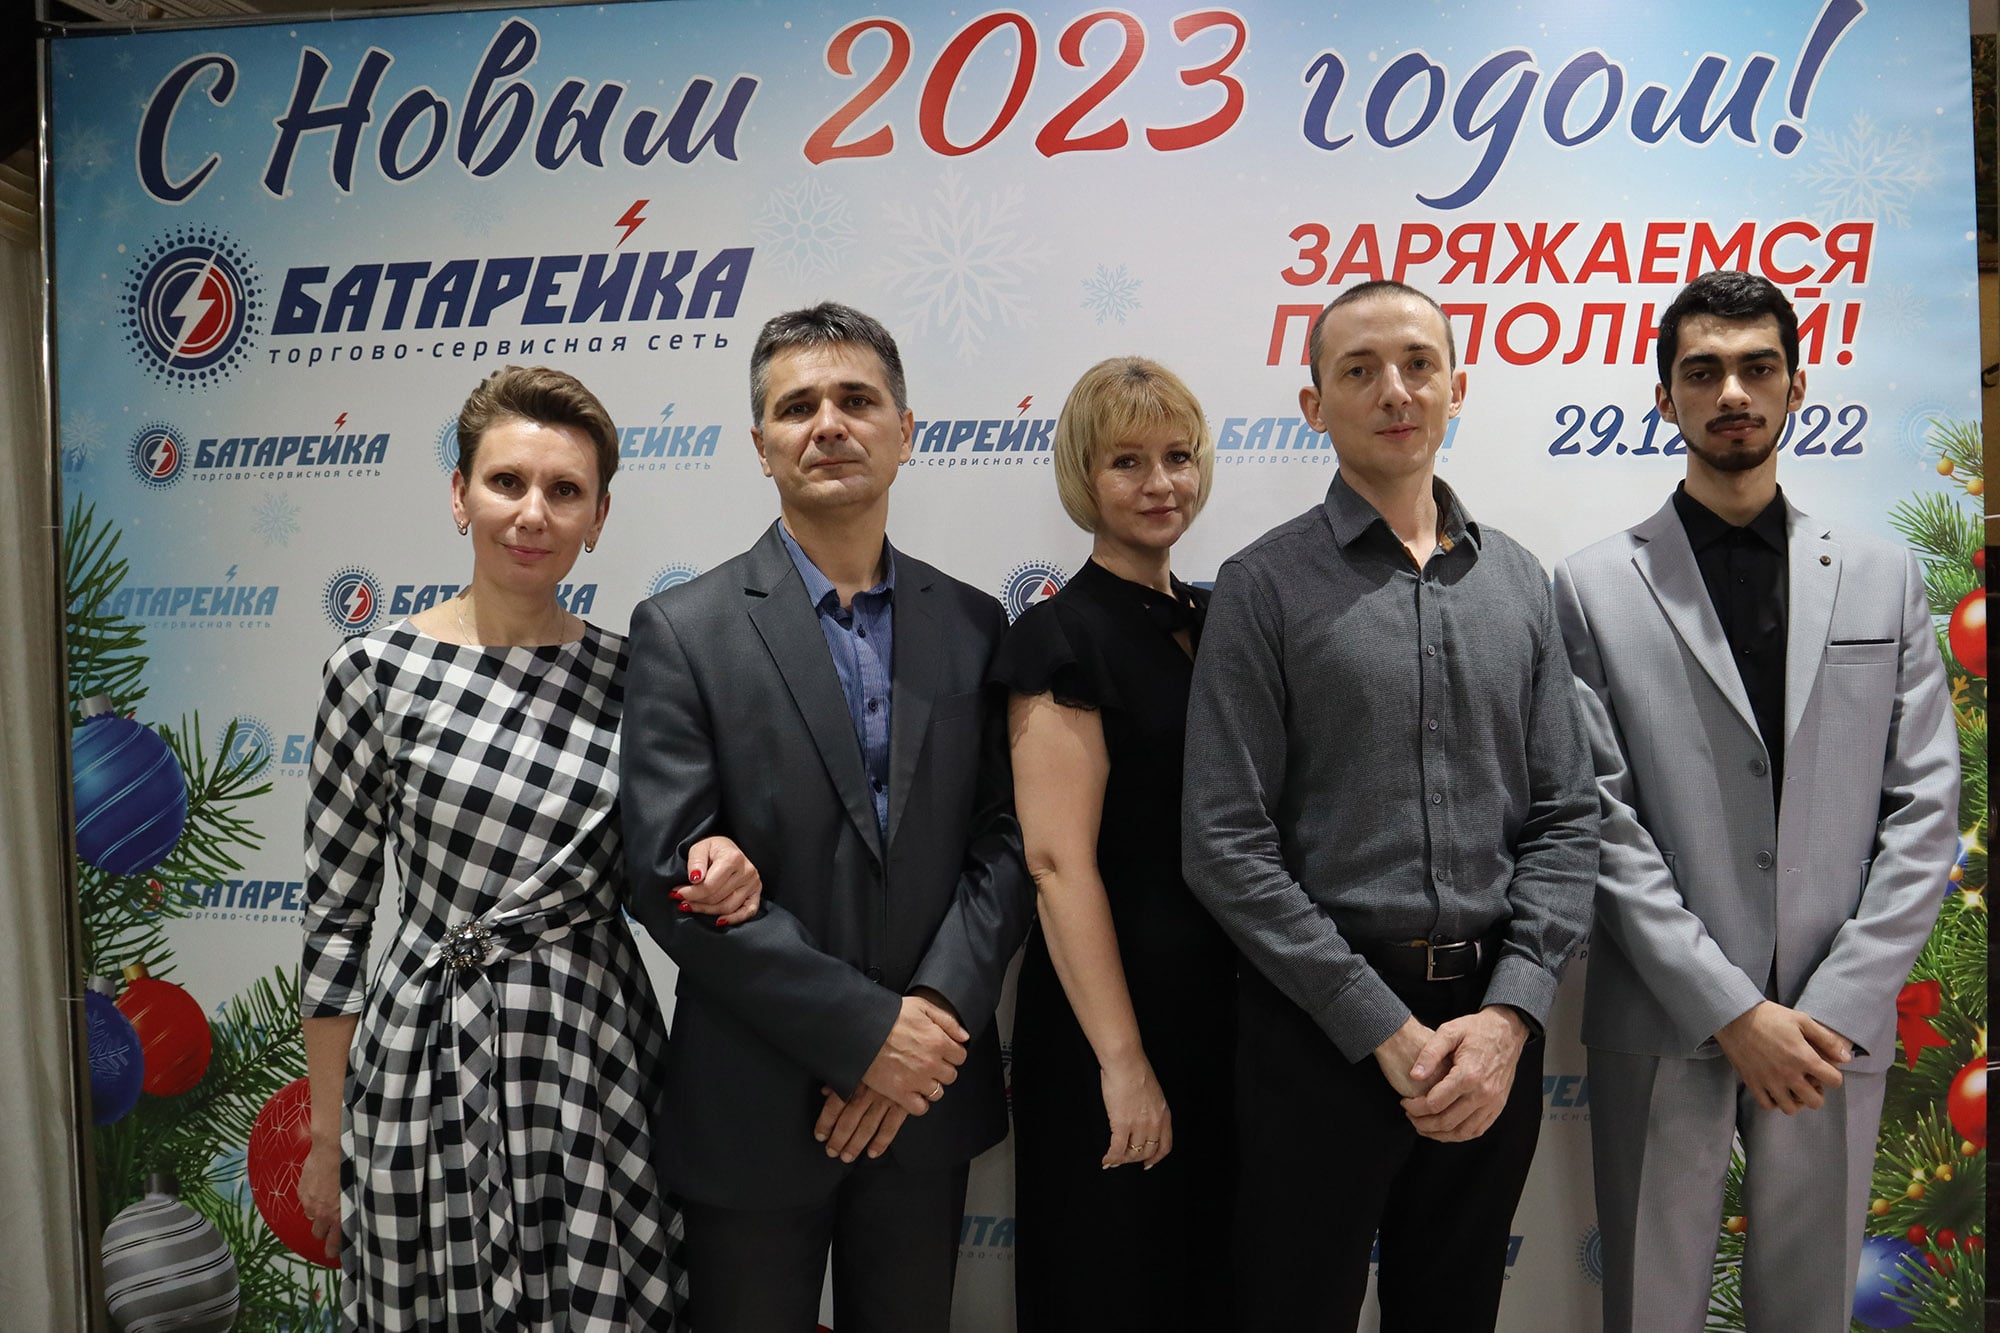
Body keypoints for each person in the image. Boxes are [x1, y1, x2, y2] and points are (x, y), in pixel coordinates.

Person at [298, 365, 759, 1332]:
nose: (532, 513)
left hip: (594, 1054)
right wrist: (328, 1133)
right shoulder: (373, 671)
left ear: (598, 517)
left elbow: (678, 853)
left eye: (565, 490)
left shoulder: (638, 673)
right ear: (458, 493)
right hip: (423, 1058)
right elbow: (336, 921)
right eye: (506, 481)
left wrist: (723, 860)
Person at [1181, 279, 1598, 1331]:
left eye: (1418, 364)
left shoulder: (1519, 582)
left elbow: (1565, 816)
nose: (1395, 390)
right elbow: (1223, 841)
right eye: (1358, 370)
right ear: (1313, 404)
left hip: (1490, 1027)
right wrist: (1378, 1025)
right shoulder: (1262, 585)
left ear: (1458, 385)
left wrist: (1507, 1017)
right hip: (1315, 1031)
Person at [1553, 269, 1960, 1333]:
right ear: (1664, 397)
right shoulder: (1591, 585)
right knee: (1649, 1310)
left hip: (1832, 1021)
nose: (1731, 391)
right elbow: (1598, 816)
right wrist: (1731, 1009)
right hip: (1664, 1014)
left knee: (1810, 1309)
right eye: (1702, 371)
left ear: (1795, 385)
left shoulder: (1883, 576)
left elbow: (1926, 807)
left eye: (1755, 367)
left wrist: (1834, 1004)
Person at [619, 301, 1034, 1333]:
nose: (829, 425)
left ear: (906, 429)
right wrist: (866, 1036)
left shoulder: (975, 623)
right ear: (760, 444)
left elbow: (1006, 843)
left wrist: (922, 1027)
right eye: (797, 407)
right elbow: (665, 872)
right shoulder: (684, 629)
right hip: (755, 1105)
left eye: (856, 399)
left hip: (927, 1096)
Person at [990, 357, 1235, 1331]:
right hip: (1111, 1019)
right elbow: (1056, 865)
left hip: (1227, 1016)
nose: (1160, 482)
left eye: (1177, 456)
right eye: (1127, 461)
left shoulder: (1223, 621)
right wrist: (1124, 1062)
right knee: (1110, 1283)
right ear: (1083, 476)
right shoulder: (1059, 636)